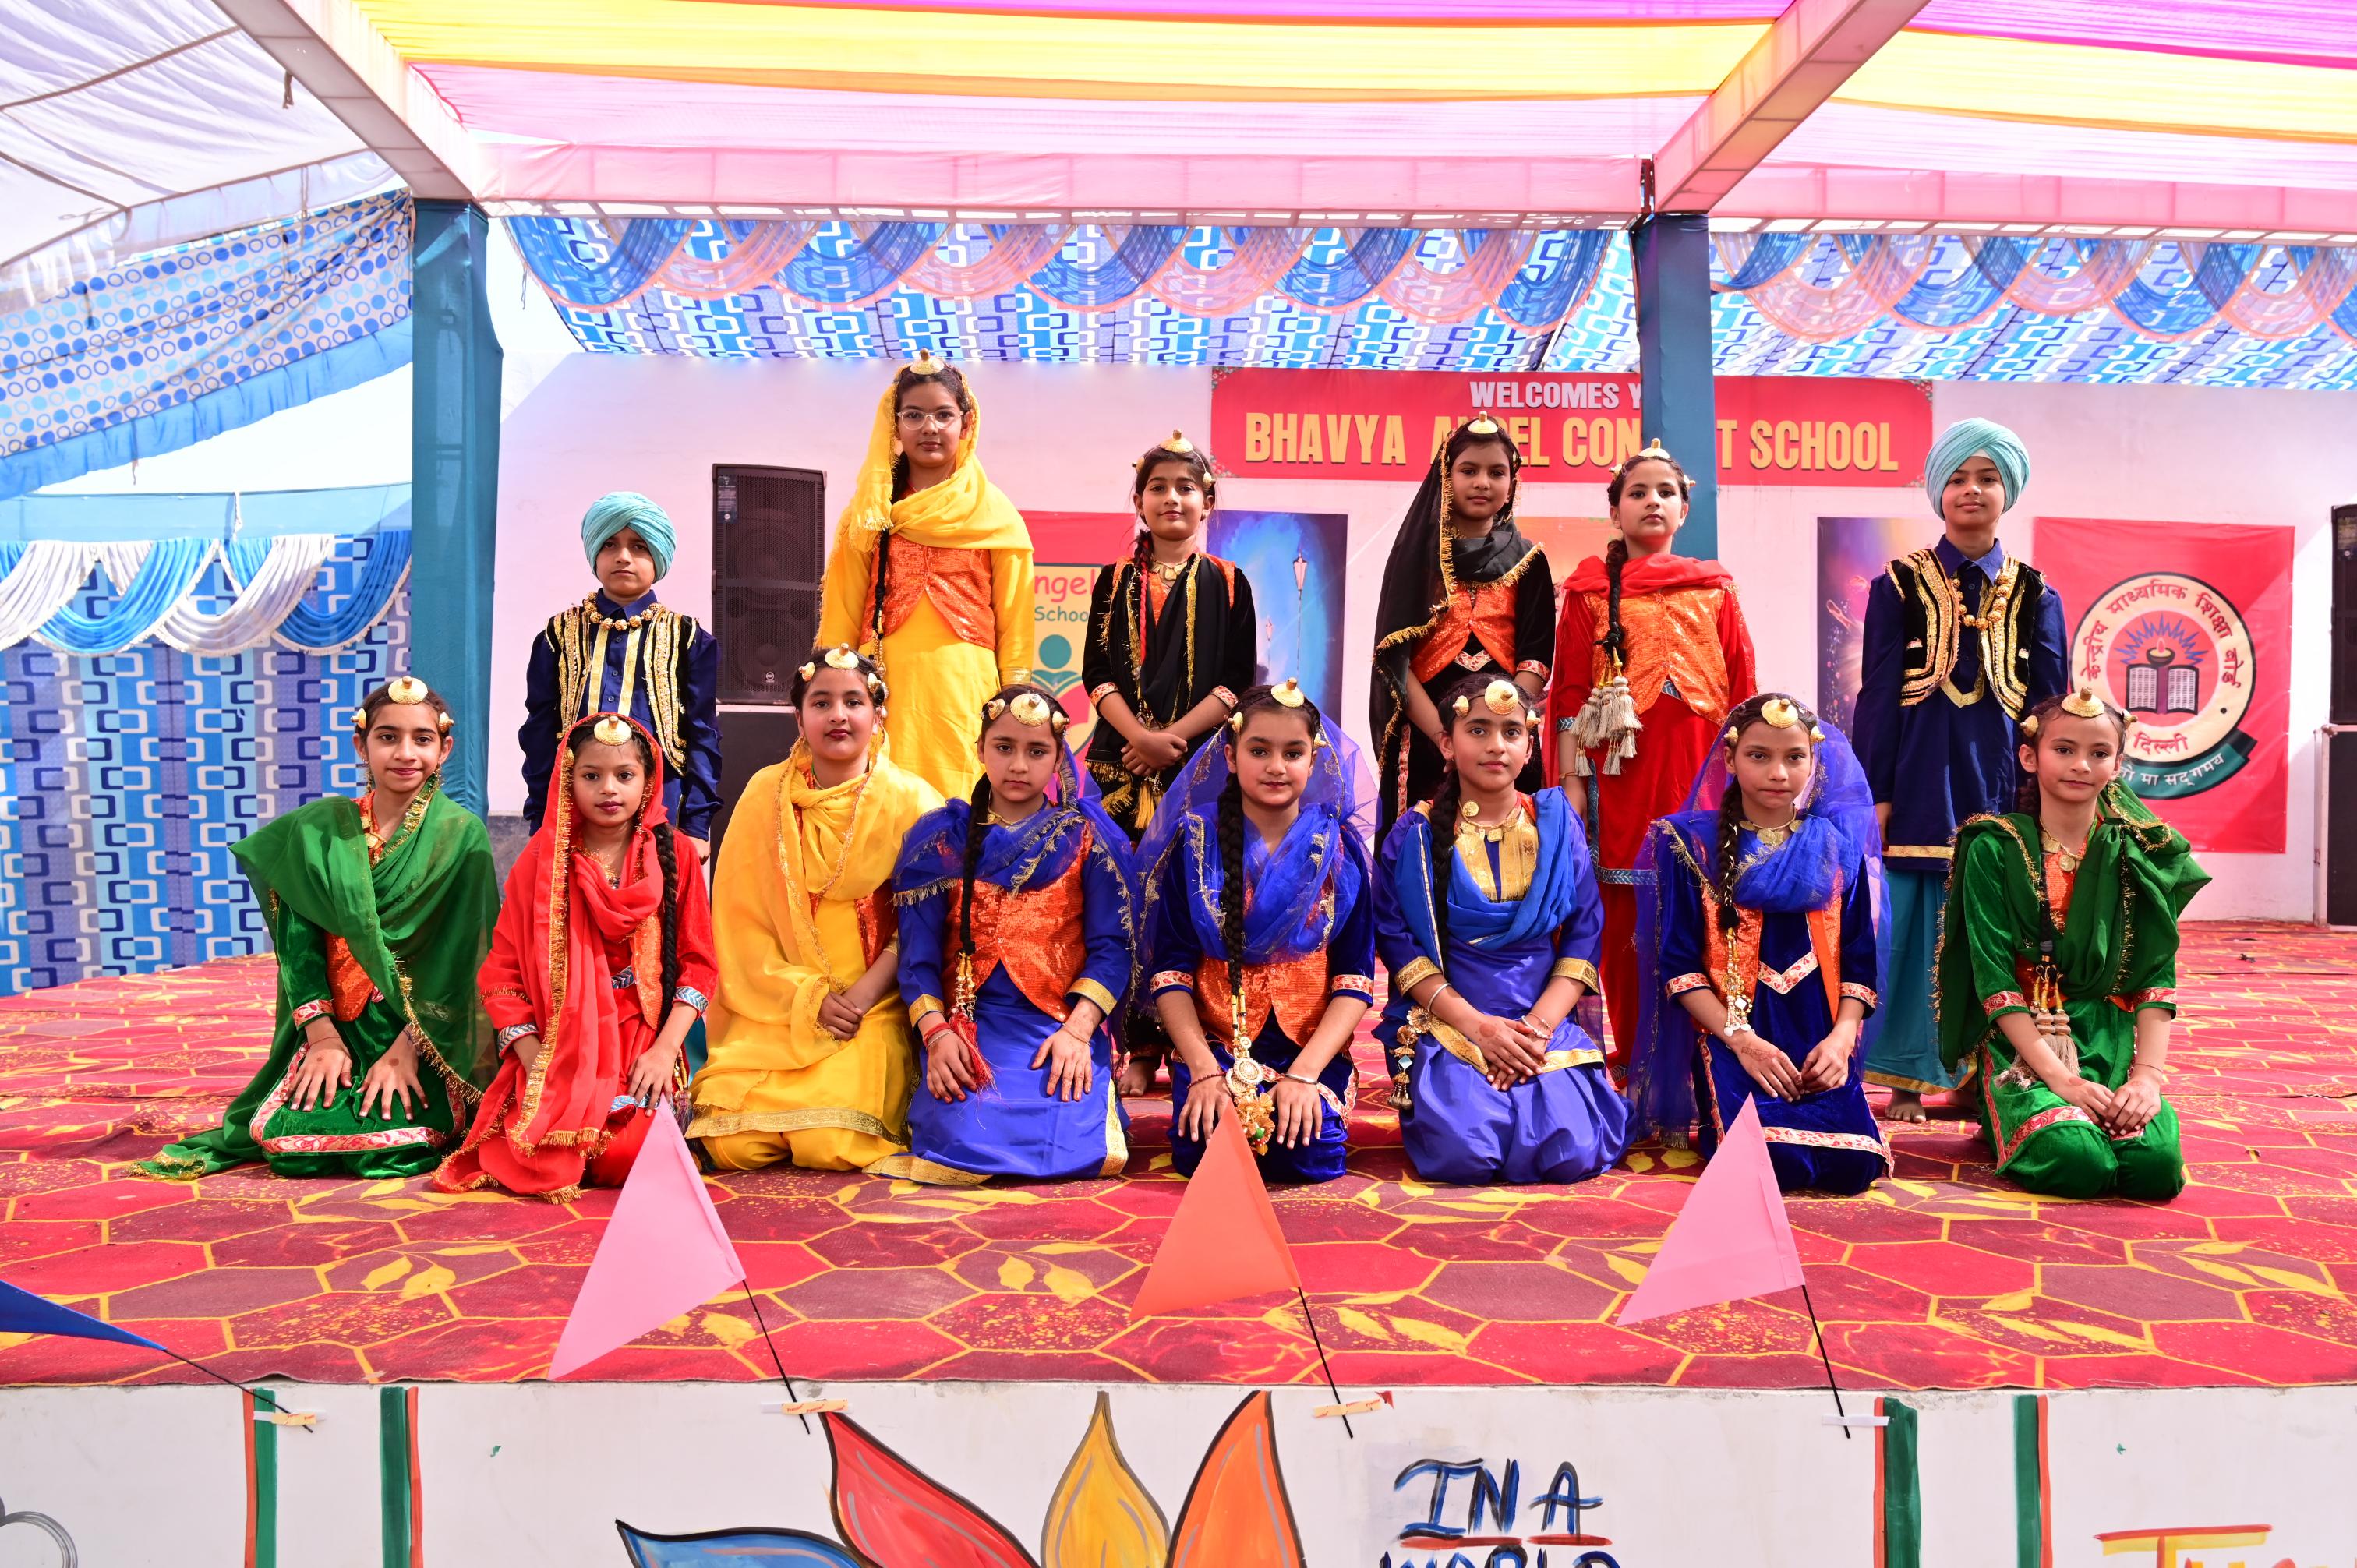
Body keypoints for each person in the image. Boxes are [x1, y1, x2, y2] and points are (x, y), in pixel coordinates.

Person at [137, 679, 496, 1180]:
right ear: (361, 745)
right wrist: (322, 1039)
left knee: (392, 1149)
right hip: (334, 1022)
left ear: (445, 748)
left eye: (422, 739)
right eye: (387, 737)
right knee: (298, 1146)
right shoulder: (317, 831)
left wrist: (408, 1049)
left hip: (420, 1030)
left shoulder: (460, 835)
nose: (405, 753)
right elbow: (298, 945)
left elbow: (464, 958)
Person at [1852, 418, 2067, 1121]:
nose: (1971, 490)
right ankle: (1910, 1077)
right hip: (1919, 777)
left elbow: (2051, 708)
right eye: (1957, 478)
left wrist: (2047, 799)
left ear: (2009, 492)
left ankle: (1985, 1075)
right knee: (1916, 927)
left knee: (1996, 926)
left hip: (2003, 783)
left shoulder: (2038, 595)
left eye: (1987, 478)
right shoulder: (1899, 584)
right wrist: (1877, 790)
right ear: (1938, 492)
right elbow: (1878, 694)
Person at [435, 714, 717, 1201]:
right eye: (592, 775)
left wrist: (664, 1051)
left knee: (627, 1156)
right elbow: (502, 973)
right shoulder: (541, 860)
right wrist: (534, 1060)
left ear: (649, 781)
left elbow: (700, 965)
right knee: (541, 1155)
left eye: (624, 775)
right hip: (561, 1038)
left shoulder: (675, 855)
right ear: (569, 779)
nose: (609, 789)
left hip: (645, 1034)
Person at [1935, 689, 2203, 1200]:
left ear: (2117, 765)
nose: (2081, 764)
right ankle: (2001, 1112)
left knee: (2156, 1170)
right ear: (2030, 757)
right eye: (2064, 749)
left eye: (2099, 753)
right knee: (2079, 1161)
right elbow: (1994, 980)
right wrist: (2063, 1082)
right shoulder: (1994, 847)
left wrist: (2146, 1080)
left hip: (2111, 1037)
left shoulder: (2137, 852)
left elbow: (2155, 977)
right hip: (2026, 1042)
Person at [687, 648, 942, 1171]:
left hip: (871, 1007)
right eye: (821, 702)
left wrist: (859, 998)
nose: (838, 716)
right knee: (734, 1146)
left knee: (829, 1142)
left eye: (854, 702)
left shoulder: (915, 802)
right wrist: (807, 999)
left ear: (878, 714)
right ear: (799, 717)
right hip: (777, 1006)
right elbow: (740, 925)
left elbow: (927, 924)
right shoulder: (765, 793)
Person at [1550, 440, 1756, 1075]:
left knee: (1704, 908)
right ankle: (1638, 1056)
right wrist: (1572, 782)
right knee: (1625, 917)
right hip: (1621, 775)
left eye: (1666, 492)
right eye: (1637, 492)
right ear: (1615, 512)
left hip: (1702, 770)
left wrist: (1749, 776)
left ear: (1684, 509)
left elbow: (1744, 688)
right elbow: (1570, 695)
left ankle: (1707, 1056)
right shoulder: (1587, 592)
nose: (1652, 502)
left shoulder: (1715, 587)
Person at [877, 685, 1138, 1185]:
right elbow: (916, 958)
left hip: (1056, 1026)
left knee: (1074, 1150)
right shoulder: (941, 840)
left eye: (1037, 751)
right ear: (980, 750)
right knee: (960, 1141)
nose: (1019, 765)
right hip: (969, 1028)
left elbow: (1112, 948)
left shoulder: (1086, 838)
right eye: (1004, 747)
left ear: (1058, 758)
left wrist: (1079, 1032)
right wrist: (936, 1036)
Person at [1631, 693, 1890, 1195]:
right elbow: (1679, 967)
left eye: (1795, 757)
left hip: (1818, 1038)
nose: (1778, 773)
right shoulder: (1690, 843)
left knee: (1853, 1167)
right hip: (1733, 1035)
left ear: (1814, 761)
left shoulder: (1837, 846)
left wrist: (1841, 1041)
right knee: (1770, 1161)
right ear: (1730, 759)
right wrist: (1743, 1042)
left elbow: (1860, 962)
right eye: (1759, 756)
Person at [1376, 673, 1628, 1185]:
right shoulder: (1415, 835)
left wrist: (1535, 1029)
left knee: (1570, 1151)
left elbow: (1583, 936)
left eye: (1512, 732)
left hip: (1541, 1022)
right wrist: (1480, 1028)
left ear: (1530, 745)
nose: (1497, 746)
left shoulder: (1557, 823)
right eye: (1478, 730)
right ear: (1447, 743)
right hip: (1452, 1021)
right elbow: (1401, 947)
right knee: (1466, 1154)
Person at [1140, 682, 1375, 1184]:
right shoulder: (1195, 842)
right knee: (1204, 1153)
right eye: (1259, 751)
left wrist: (1305, 1074)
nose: (1276, 767)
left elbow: (1355, 978)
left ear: (1314, 760)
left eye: (1293, 753)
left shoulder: (1339, 848)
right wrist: (1203, 1069)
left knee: (1308, 1158)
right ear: (1231, 757)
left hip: (1306, 1048)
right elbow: (1170, 970)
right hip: (1217, 1045)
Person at [1083, 430, 1257, 1095]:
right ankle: (1134, 1043)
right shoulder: (1113, 581)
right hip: (1120, 764)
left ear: (1207, 503)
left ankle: (1188, 1039)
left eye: (1187, 487)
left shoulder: (1229, 583)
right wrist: (1137, 736)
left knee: (1186, 902)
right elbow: (1095, 672)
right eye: (1158, 487)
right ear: (1138, 501)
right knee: (1123, 902)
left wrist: (1170, 740)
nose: (1172, 498)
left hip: (1200, 763)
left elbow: (1235, 680)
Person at [817, 354, 1034, 800]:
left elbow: (1015, 618)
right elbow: (842, 610)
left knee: (958, 805)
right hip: (881, 684)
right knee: (878, 804)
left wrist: (1014, 701)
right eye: (914, 416)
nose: (929, 428)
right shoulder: (870, 512)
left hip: (965, 689)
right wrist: (829, 692)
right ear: (895, 425)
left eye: (943, 415)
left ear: (966, 423)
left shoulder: (996, 514)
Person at [1372, 415, 1555, 842]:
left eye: (1497, 472)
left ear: (1512, 482)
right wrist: (1445, 737)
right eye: (1468, 470)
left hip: (1505, 738)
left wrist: (1501, 729)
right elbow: (1396, 661)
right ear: (1446, 476)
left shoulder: (1530, 560)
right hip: (1426, 735)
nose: (1482, 483)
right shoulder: (1416, 558)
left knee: (1513, 849)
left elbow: (1536, 658)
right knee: (1423, 850)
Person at [521, 492, 721, 859]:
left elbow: (703, 734)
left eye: (639, 546)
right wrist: (539, 819)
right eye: (610, 543)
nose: (623, 556)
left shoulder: (689, 638)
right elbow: (538, 733)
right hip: (573, 805)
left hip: (662, 808)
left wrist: (696, 825)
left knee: (654, 894)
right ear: (595, 552)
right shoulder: (557, 635)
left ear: (658, 555)